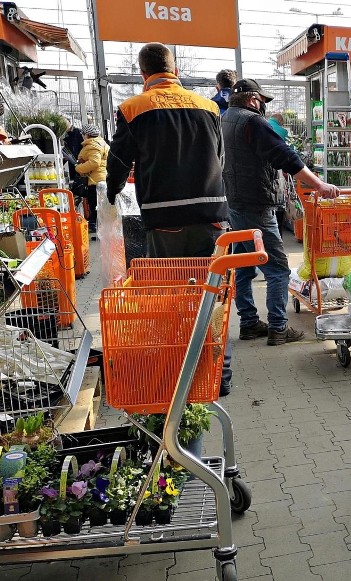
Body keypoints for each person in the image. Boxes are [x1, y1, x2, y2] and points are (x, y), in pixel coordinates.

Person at [105, 43, 233, 395]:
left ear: (143, 73)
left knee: (172, 295)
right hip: (211, 216)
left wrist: (112, 193)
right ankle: (219, 376)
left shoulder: (133, 108)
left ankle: (181, 373)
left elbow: (118, 161)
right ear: (174, 69)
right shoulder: (208, 106)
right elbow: (219, 158)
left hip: (164, 220)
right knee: (213, 294)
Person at [221, 79, 339, 346]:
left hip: (235, 203)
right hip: (256, 204)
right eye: (262, 100)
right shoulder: (254, 122)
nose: (263, 105)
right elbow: (285, 156)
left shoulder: (225, 119)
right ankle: (278, 327)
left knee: (243, 265)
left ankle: (249, 323)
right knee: (277, 269)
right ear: (253, 100)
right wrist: (319, 185)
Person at [74, 123, 109, 233]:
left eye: (83, 134)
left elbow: (94, 162)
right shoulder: (101, 143)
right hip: (102, 179)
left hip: (95, 181)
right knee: (101, 207)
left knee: (95, 206)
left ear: (87, 135)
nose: (82, 136)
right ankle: (102, 229)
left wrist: (78, 168)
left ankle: (100, 230)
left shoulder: (92, 145)